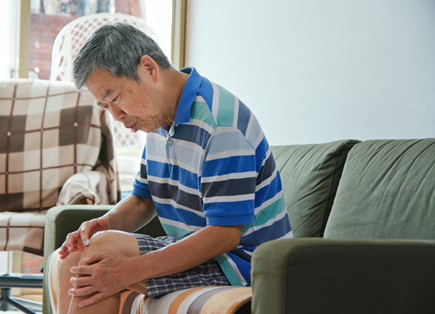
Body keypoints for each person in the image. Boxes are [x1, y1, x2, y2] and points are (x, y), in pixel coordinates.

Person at [57, 23, 292, 314]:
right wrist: (105, 223)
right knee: (79, 256)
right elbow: (143, 199)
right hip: (200, 252)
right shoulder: (155, 120)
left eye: (115, 98)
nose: (116, 116)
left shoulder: (221, 125)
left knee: (99, 259)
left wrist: (131, 270)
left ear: (148, 68)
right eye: (105, 106)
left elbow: (225, 235)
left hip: (241, 264)